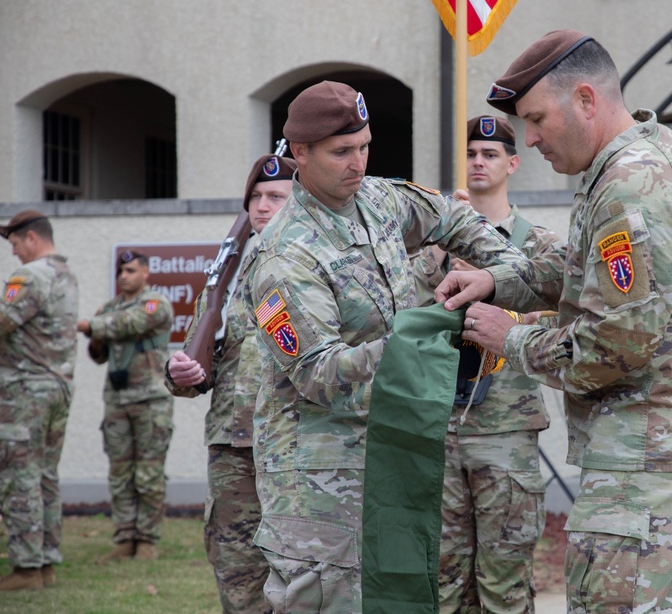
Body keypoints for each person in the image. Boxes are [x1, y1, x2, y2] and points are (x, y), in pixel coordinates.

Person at [436, 29, 672, 613]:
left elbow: (614, 350)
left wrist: (515, 336)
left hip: (645, 469)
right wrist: (499, 280)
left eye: (536, 119)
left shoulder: (628, 187)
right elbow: (588, 271)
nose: (530, 139)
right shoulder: (651, 152)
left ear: (585, 99)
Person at [240, 80, 562, 613]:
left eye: (364, 146)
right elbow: (320, 374)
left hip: (389, 455)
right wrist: (417, 339)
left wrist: (495, 268)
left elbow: (449, 216)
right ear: (299, 153)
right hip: (320, 482)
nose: (358, 163)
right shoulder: (284, 256)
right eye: (341, 152)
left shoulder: (380, 200)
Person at [410, 115, 564, 612]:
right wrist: (441, 253)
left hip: (504, 427)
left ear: (512, 164)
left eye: (491, 154)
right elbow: (406, 316)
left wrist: (500, 294)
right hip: (442, 424)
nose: (479, 162)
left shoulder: (538, 246)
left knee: (504, 584)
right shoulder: (436, 245)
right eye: (472, 153)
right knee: (446, 581)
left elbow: (561, 321)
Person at [165, 154, 294, 613]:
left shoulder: (317, 264)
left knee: (303, 575)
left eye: (276, 196)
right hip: (231, 448)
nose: (262, 205)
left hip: (293, 447)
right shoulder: (228, 275)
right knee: (237, 575)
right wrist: (181, 374)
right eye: (255, 197)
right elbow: (196, 365)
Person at [77, 249, 174, 563]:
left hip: (151, 400)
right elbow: (98, 354)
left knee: (148, 474)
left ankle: (147, 541)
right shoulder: (109, 308)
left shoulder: (155, 303)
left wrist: (93, 325)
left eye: (131, 271)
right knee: (119, 474)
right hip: (117, 400)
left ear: (146, 273)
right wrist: (96, 331)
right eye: (121, 271)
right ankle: (123, 539)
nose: (124, 277)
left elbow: (129, 323)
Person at [0, 211, 78, 591]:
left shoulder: (31, 275)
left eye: (14, 244)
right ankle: (45, 562)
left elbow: (3, 321)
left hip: (25, 392)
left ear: (31, 238)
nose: (14, 254)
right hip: (57, 387)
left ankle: (26, 567)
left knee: (20, 476)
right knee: (45, 474)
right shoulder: (65, 274)